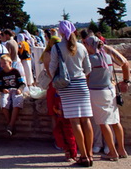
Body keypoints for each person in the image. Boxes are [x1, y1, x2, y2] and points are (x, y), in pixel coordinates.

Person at [50, 20, 94, 167]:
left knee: (75, 122)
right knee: (86, 121)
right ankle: (89, 154)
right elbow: (88, 69)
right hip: (81, 84)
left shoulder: (57, 47)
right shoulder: (81, 47)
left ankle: (83, 155)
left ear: (61, 32)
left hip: (67, 86)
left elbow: (52, 68)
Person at [84, 36, 130, 161]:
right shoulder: (108, 57)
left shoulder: (90, 59)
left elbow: (87, 77)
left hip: (97, 92)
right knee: (115, 121)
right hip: (111, 90)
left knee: (104, 124)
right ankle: (121, 149)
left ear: (89, 45)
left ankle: (113, 152)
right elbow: (123, 64)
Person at [42, 36, 78, 161]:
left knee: (64, 117)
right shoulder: (50, 54)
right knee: (56, 116)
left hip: (60, 85)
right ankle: (61, 142)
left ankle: (67, 144)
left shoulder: (54, 53)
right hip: (57, 85)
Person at [0, 54, 25, 135]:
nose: (2, 65)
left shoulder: (16, 72)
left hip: (15, 90)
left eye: (4, 63)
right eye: (1, 63)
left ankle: (10, 125)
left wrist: (20, 89)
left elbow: (22, 84)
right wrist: (3, 89)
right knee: (3, 103)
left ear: (10, 63)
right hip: (6, 91)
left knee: (17, 102)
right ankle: (10, 123)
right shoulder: (1, 74)